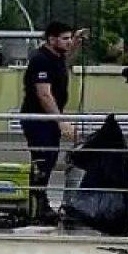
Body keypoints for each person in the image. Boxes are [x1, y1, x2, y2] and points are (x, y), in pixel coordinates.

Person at [20, 22, 85, 223]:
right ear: (51, 40)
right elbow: (44, 95)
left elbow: (67, 58)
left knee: (48, 161)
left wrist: (76, 43)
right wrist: (61, 122)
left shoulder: (56, 57)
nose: (68, 43)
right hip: (39, 120)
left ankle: (40, 203)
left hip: (48, 121)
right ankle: (36, 206)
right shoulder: (41, 60)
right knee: (43, 161)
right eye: (65, 39)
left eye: (69, 38)